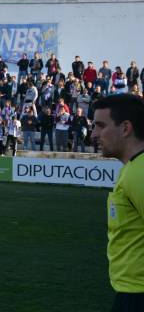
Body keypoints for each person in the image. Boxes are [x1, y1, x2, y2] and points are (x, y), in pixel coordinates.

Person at [90, 94, 144, 311]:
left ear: (125, 128)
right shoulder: (133, 169)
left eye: (100, 126)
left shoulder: (138, 174)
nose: (93, 134)